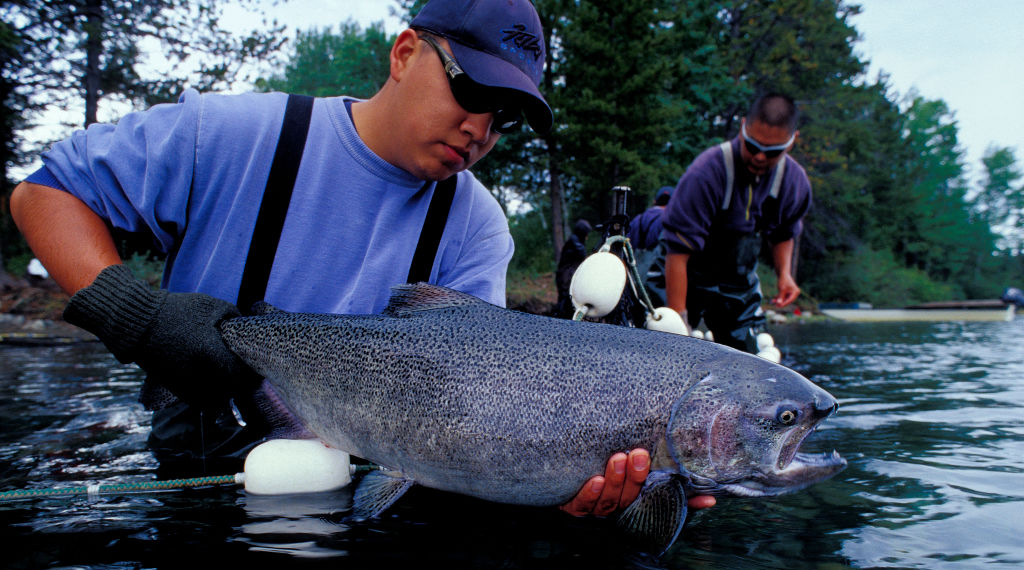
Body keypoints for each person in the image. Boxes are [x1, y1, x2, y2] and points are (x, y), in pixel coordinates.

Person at [12, 0, 708, 517]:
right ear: (404, 53)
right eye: (470, 91)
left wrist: (557, 480)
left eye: (504, 117)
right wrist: (138, 316)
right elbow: (45, 194)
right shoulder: (232, 135)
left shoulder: (476, 226)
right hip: (196, 478)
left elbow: (476, 404)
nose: (480, 129)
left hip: (373, 496)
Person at [648, 93, 811, 351]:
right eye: (753, 146)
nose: (760, 157)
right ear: (743, 126)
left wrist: (785, 275)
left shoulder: (794, 183)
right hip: (684, 271)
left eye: (772, 152)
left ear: (791, 142)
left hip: (737, 283)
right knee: (664, 344)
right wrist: (678, 323)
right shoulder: (707, 172)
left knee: (746, 356)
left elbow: (783, 233)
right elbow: (677, 252)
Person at [554, 219, 592, 319]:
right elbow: (582, 254)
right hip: (566, 275)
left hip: (567, 274)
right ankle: (560, 317)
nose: (587, 237)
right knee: (565, 298)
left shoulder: (575, 240)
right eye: (586, 234)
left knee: (568, 299)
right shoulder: (575, 241)